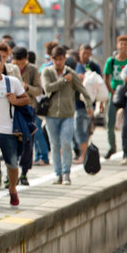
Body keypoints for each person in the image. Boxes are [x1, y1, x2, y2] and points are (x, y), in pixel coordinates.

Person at [0, 51, 30, 211]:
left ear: (2, 64)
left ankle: (13, 190)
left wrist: (16, 100)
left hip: (9, 130)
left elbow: (26, 99)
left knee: (12, 164)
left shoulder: (12, 81)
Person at [41, 46, 93, 185]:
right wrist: (64, 81)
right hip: (51, 115)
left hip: (68, 115)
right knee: (55, 144)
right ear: (52, 59)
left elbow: (82, 89)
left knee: (66, 143)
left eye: (61, 59)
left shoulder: (71, 72)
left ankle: (66, 174)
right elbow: (47, 88)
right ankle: (57, 174)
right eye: (55, 59)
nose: (58, 62)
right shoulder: (47, 72)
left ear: (64, 59)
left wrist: (88, 104)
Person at [11, 46, 43, 186]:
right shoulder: (9, 69)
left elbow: (39, 90)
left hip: (29, 110)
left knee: (28, 141)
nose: (18, 66)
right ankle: (11, 172)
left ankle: (24, 172)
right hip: (12, 110)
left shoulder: (33, 70)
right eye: (16, 63)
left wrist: (27, 87)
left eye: (21, 63)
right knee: (12, 141)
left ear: (26, 59)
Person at [103, 35, 127, 159]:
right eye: (121, 44)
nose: (123, 46)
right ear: (117, 45)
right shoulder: (111, 61)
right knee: (110, 122)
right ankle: (112, 147)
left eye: (126, 44)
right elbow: (106, 77)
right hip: (114, 95)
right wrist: (112, 92)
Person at [73, 44, 101, 164]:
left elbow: (100, 83)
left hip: (88, 103)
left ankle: (84, 156)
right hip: (77, 102)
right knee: (80, 130)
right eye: (83, 53)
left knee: (81, 130)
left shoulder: (94, 66)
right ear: (79, 52)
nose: (85, 55)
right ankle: (83, 154)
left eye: (88, 53)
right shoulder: (75, 65)